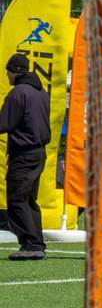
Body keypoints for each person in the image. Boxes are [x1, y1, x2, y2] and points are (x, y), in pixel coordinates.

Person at [0, 53, 51, 260]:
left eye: (8, 72)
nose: (7, 76)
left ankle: (30, 243)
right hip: (39, 153)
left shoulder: (17, 93)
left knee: (17, 199)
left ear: (14, 71)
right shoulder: (42, 92)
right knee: (29, 200)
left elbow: (4, 124)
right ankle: (37, 243)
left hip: (23, 154)